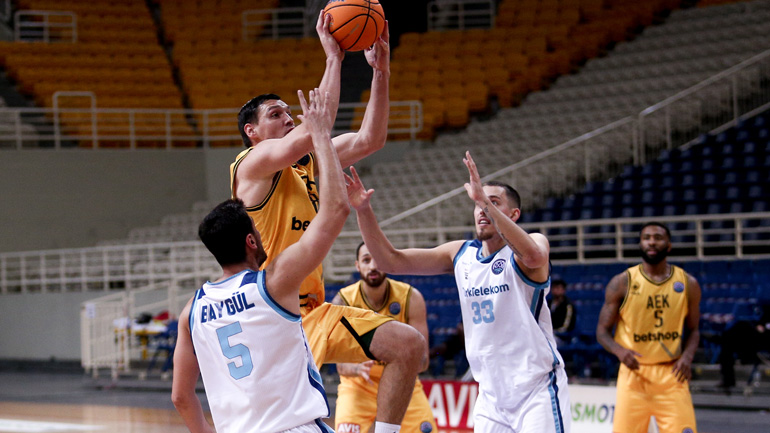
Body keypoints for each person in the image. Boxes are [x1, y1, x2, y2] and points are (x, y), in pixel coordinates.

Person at [230, 13, 425, 433]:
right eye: (276, 114)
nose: (287, 118)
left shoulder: (311, 162)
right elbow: (313, 130)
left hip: (314, 312)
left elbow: (370, 139)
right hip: (271, 312)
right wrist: (334, 57)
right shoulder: (251, 166)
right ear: (252, 132)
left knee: (408, 344)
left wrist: (381, 72)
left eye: (288, 112)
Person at [346, 151, 571, 433]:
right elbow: (391, 260)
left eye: (492, 202)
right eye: (477, 205)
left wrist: (483, 201)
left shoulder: (532, 245)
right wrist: (363, 211)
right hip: (490, 396)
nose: (482, 210)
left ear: (513, 215)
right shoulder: (460, 254)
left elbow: (535, 258)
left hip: (536, 389)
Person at [172, 89, 347, 433]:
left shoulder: (191, 310)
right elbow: (336, 211)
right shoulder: (273, 285)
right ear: (252, 240)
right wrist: (321, 134)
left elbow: (181, 397)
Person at [596, 222, 701, 433]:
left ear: (669, 245)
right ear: (640, 244)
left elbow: (694, 330)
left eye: (658, 237)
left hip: (671, 374)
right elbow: (601, 331)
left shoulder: (688, 283)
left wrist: (687, 357)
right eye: (646, 237)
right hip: (634, 375)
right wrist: (619, 351)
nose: (652, 241)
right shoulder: (622, 283)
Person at [331, 242, 437, 433]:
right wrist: (357, 368)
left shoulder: (411, 298)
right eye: (366, 260)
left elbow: (423, 362)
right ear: (357, 266)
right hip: (359, 387)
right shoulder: (343, 301)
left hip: (403, 386)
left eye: (378, 260)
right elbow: (340, 365)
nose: (372, 266)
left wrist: (396, 360)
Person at [717, 302, 770, 390]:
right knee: (729, 343)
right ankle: (728, 380)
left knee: (738, 331)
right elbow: (761, 322)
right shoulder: (767, 308)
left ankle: (721, 338)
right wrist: (760, 326)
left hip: (765, 339)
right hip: (759, 338)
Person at [549, 278, 576, 346]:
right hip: (547, 333)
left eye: (558, 288)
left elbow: (566, 326)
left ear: (563, 290)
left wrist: (555, 331)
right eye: (554, 288)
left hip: (562, 337)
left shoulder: (568, 305)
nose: (555, 290)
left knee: (549, 341)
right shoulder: (547, 303)